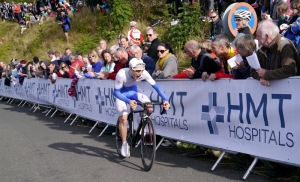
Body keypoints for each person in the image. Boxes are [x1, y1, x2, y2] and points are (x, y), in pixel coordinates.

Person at [114, 58, 170, 157]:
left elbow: (156, 87)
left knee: (149, 108)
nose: (140, 73)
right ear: (130, 69)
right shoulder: (121, 74)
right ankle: (124, 143)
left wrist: (165, 99)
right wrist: (129, 101)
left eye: (142, 70)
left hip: (134, 91)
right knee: (123, 119)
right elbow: (116, 92)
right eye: (137, 71)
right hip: (122, 95)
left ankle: (141, 122)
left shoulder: (144, 73)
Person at [250, 20, 300, 86]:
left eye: (258, 36)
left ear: (267, 36)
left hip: (289, 90)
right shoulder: (262, 48)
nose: (256, 38)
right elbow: (253, 70)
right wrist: (260, 78)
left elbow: (289, 70)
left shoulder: (284, 45)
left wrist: (266, 74)